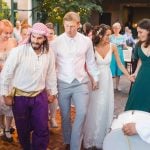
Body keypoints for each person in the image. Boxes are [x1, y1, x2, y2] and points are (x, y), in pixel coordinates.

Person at [0, 22, 57, 150]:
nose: (35, 40)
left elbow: (51, 74)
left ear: (45, 39)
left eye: (39, 38)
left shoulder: (49, 53)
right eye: (33, 37)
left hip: (40, 96)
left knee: (42, 128)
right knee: (23, 130)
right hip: (20, 97)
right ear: (30, 36)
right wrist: (5, 94)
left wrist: (52, 92)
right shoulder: (18, 51)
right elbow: (6, 74)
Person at [50, 11, 99, 150]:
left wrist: (95, 77)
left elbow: (90, 61)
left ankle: (74, 145)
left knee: (82, 112)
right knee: (65, 116)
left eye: (72, 26)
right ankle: (67, 139)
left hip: (81, 82)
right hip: (62, 82)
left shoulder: (86, 41)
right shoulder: (56, 42)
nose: (69, 29)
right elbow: (51, 66)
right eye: (66, 26)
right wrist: (51, 87)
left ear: (78, 25)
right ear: (63, 25)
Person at [83, 24, 134, 150]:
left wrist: (128, 76)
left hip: (106, 79)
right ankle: (91, 138)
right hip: (94, 80)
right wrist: (91, 79)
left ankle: (102, 137)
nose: (109, 37)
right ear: (100, 34)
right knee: (93, 107)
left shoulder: (113, 47)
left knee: (104, 106)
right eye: (107, 35)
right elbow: (86, 66)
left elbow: (120, 64)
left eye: (110, 35)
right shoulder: (91, 46)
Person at [125, 18, 150, 112]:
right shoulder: (138, 45)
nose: (138, 35)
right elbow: (140, 60)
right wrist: (135, 73)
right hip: (141, 77)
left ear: (149, 31)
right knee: (137, 100)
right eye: (137, 32)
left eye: (141, 32)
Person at [0, 19, 17, 142]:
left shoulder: (14, 42)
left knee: (9, 104)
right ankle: (1, 127)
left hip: (11, 78)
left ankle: (7, 129)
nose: (8, 35)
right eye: (5, 33)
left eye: (10, 32)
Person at [46, 22, 58, 128]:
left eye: (51, 33)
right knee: (43, 97)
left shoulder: (56, 44)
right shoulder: (41, 43)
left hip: (54, 73)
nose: (49, 35)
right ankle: (45, 118)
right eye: (48, 33)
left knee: (54, 96)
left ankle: (53, 117)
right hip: (42, 75)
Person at [110, 22, 127, 91]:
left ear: (120, 28)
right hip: (112, 55)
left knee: (118, 71)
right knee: (111, 70)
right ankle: (111, 86)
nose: (115, 29)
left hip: (120, 54)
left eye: (117, 28)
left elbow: (125, 47)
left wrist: (124, 45)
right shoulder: (110, 36)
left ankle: (117, 86)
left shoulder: (123, 37)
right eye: (114, 28)